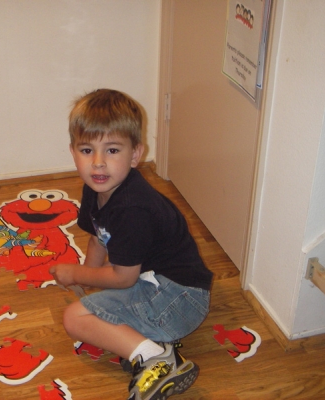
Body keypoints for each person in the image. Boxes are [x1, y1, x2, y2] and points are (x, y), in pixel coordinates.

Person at [49, 88, 213, 400]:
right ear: (73, 152)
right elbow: (99, 236)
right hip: (161, 285)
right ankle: (151, 344)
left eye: (112, 151)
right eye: (87, 151)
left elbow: (124, 277)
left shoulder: (132, 208)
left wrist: (76, 275)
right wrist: (89, 277)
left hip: (180, 300)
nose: (98, 164)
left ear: (135, 154)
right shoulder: (98, 187)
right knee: (97, 301)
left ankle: (156, 357)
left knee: (74, 318)